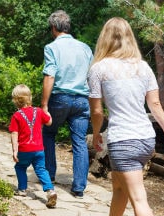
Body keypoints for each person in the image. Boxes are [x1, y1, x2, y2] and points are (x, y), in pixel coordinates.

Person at [88, 17, 164, 216]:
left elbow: (97, 112)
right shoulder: (143, 67)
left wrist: (97, 133)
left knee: (138, 198)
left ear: (105, 38)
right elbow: (155, 105)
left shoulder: (99, 68)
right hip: (145, 139)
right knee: (119, 188)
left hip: (123, 141)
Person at [41, 10, 93, 198]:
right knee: (79, 141)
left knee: (48, 132)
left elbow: (50, 75)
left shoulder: (52, 48)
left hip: (60, 98)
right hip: (81, 100)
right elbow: (91, 76)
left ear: (54, 27)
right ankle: (79, 188)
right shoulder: (85, 48)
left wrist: (44, 105)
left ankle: (49, 175)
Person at [9, 84, 58, 208]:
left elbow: (14, 134)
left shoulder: (17, 115)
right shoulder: (39, 111)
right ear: (29, 98)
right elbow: (49, 122)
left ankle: (22, 190)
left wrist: (15, 150)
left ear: (15, 100)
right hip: (39, 150)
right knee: (41, 170)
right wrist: (49, 114)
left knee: (20, 167)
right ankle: (50, 191)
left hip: (24, 150)